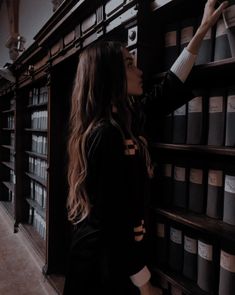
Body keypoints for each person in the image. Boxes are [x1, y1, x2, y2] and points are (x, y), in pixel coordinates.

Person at [63, 1, 228, 294]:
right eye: (128, 64)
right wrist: (143, 282)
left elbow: (166, 91)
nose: (138, 69)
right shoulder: (107, 135)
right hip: (100, 269)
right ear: (108, 77)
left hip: (109, 260)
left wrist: (202, 30)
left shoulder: (123, 121)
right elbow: (112, 220)